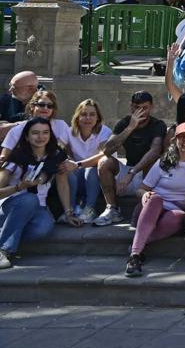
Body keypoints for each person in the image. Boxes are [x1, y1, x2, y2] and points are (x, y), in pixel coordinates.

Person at [123, 122, 185, 277]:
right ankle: (135, 256)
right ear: (175, 140)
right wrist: (144, 194)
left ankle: (138, 244)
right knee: (155, 199)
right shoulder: (164, 162)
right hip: (151, 208)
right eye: (181, 137)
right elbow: (142, 188)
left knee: (178, 217)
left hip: (176, 212)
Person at [0, 118, 79, 268]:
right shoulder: (16, 156)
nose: (40, 137)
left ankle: (7, 233)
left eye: (45, 133)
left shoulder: (56, 155)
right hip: (11, 206)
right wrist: (19, 186)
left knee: (43, 229)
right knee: (29, 198)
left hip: (39, 208)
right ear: (26, 137)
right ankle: (4, 250)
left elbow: (62, 184)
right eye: (35, 133)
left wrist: (69, 213)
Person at [94, 92, 168, 226]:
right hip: (127, 172)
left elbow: (155, 150)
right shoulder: (124, 123)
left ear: (151, 107)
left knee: (154, 162)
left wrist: (132, 173)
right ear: (131, 107)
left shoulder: (158, 125)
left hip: (145, 175)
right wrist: (130, 128)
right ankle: (112, 208)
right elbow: (107, 150)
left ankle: (144, 208)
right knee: (104, 162)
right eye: (136, 107)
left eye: (144, 108)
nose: (140, 111)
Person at [65, 99, 110, 223]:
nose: (88, 118)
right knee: (66, 169)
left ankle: (89, 208)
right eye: (84, 114)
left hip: (95, 178)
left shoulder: (105, 131)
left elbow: (103, 155)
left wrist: (78, 164)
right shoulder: (69, 132)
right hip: (76, 175)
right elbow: (62, 149)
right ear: (77, 117)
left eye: (92, 114)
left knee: (91, 169)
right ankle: (70, 209)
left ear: (98, 117)